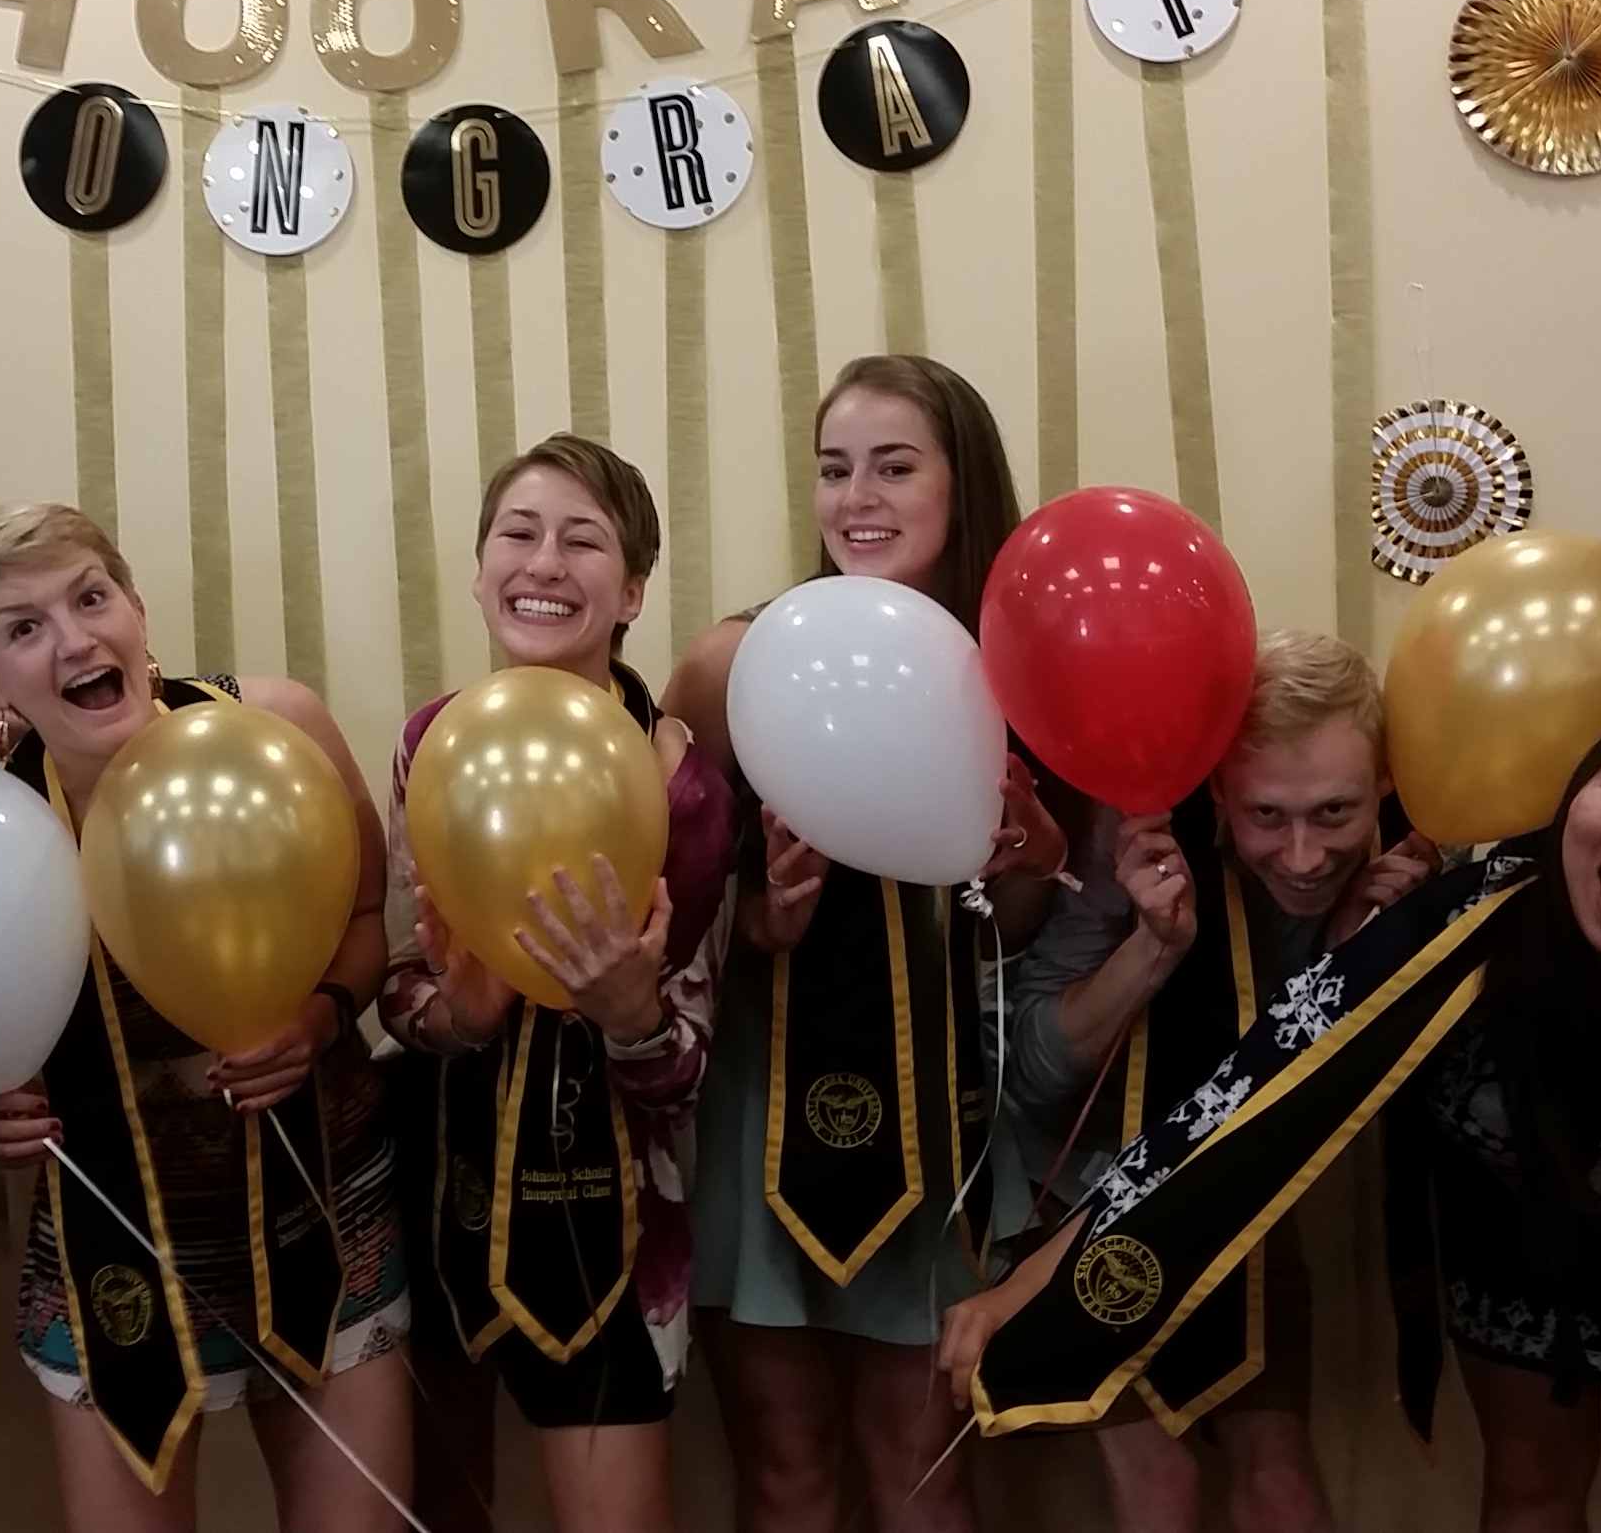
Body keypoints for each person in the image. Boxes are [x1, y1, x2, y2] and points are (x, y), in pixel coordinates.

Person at [951, 690, 1601, 1533]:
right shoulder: (1456, 921)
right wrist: (1026, 1285)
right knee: (1529, 1484)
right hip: (1514, 1237)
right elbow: (1238, 1110)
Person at [662, 354, 1071, 1533]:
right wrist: (759, 919)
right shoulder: (737, 660)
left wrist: (1037, 859)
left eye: (896, 467)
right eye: (835, 469)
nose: (859, 499)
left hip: (943, 1135)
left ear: (962, 484)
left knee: (925, 1472)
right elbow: (668, 931)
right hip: (762, 1123)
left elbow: (1020, 937)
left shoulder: (1021, 670)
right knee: (786, 1475)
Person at [0, 503, 410, 1533]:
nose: (73, 639)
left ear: (138, 609)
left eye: (90, 597)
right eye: (22, 628)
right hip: (114, 1248)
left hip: (325, 1219)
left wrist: (326, 1017)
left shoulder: (277, 725)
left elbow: (371, 920)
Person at [377, 434, 739, 1533]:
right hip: (437, 1202)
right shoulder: (429, 743)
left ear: (631, 590)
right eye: (518, 535)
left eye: (583, 541)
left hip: (619, 1236)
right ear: (479, 571)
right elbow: (397, 988)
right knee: (444, 1508)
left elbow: (685, 1073)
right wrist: (455, 1019)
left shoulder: (684, 783)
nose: (544, 563)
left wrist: (632, 1023)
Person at [1002, 631, 1433, 1533]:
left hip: (1234, 1199)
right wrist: (1153, 948)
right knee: (1163, 1492)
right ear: (1218, 788)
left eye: (1335, 813)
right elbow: (1031, 1075)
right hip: (1079, 1197)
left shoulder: (1414, 859)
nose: (1306, 855)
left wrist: (1359, 967)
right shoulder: (1142, 833)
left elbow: (1334, 1101)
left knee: (1278, 1482)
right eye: (1267, 816)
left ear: (1385, 783)